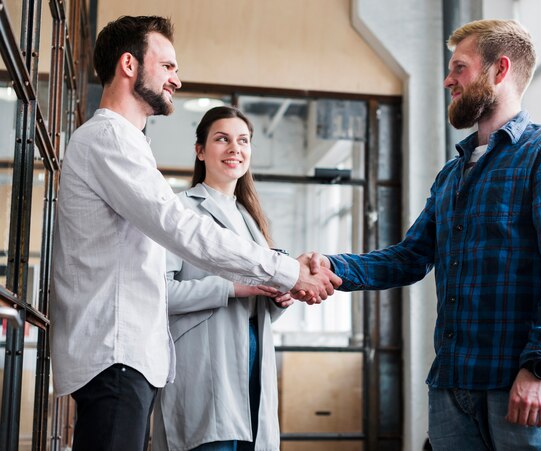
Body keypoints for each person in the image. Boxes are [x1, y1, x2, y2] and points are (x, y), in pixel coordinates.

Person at [50, 16, 340, 451]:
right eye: (167, 66)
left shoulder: (130, 145)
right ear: (129, 65)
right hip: (117, 356)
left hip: (131, 360)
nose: (176, 79)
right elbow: (181, 228)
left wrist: (278, 283)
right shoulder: (108, 140)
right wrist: (285, 273)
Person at [305, 19, 541, 450]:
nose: (447, 80)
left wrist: (540, 368)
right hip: (452, 387)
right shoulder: (451, 175)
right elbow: (409, 257)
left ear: (499, 70)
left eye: (459, 68)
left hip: (521, 380)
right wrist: (332, 267)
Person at [152, 106, 290, 451]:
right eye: (222, 139)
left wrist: (277, 300)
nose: (235, 149)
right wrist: (230, 289)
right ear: (200, 150)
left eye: (243, 140)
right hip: (204, 371)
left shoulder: (252, 221)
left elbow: (256, 304)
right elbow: (159, 294)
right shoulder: (179, 209)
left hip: (253, 363)